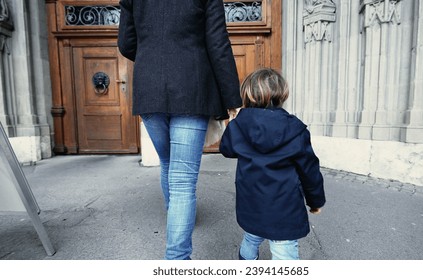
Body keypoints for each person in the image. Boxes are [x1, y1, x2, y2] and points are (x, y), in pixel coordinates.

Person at [117, 0, 242, 260]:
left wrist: (153, 55)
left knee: (168, 162)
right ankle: (177, 260)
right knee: (183, 180)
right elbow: (218, 43)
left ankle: (176, 218)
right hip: (191, 87)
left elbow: (126, 43)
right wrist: (232, 100)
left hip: (149, 89)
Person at [219, 68, 326, 260]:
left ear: (247, 94)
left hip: (251, 203)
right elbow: (309, 170)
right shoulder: (295, 129)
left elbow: (227, 149)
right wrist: (315, 201)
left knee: (252, 237)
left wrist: (234, 121)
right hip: (284, 207)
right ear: (281, 94)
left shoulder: (239, 125)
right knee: (283, 251)